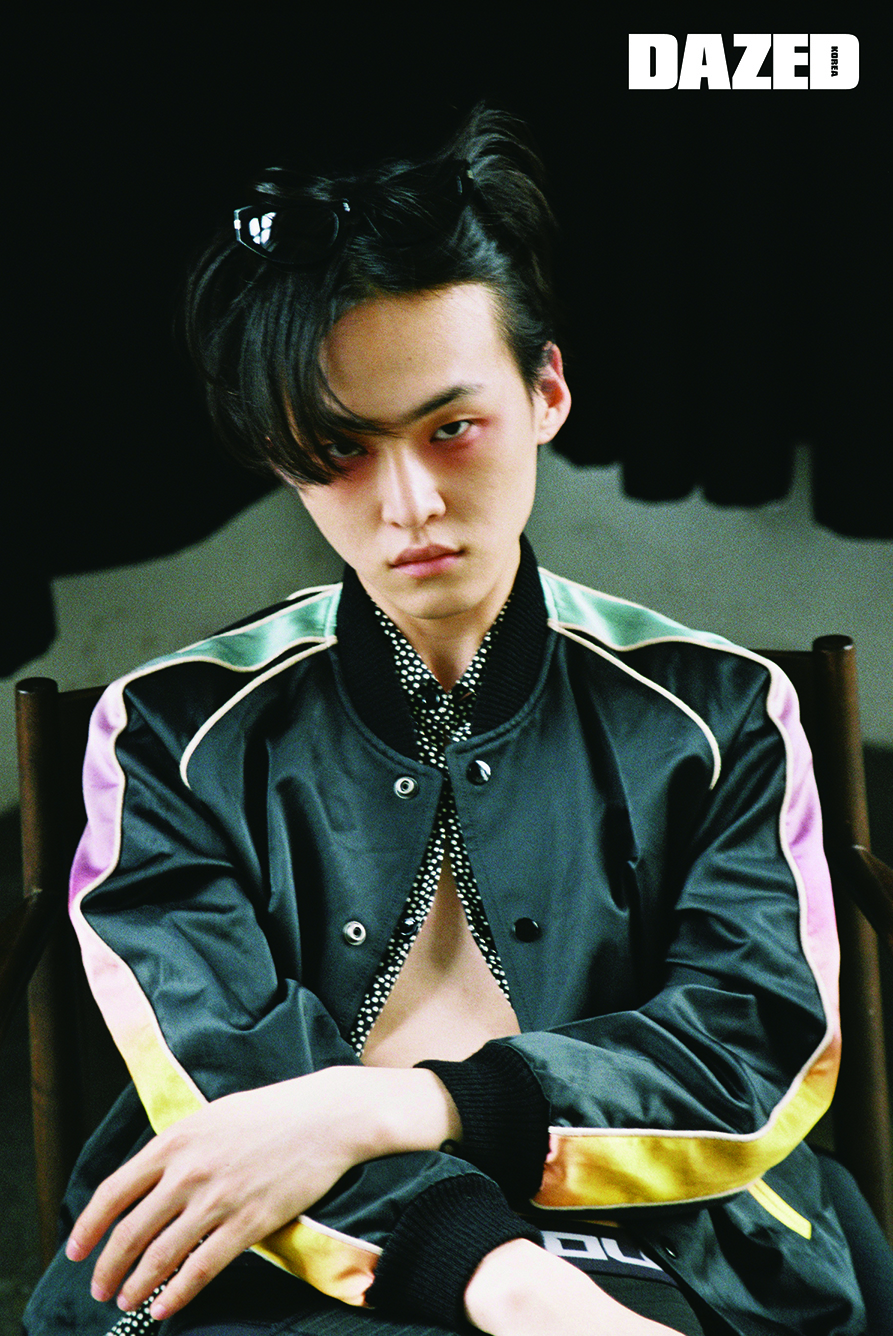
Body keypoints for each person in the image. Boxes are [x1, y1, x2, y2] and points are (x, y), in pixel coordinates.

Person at [24, 106, 870, 1335]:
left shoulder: (720, 711)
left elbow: (746, 1049)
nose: (409, 502)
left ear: (546, 391)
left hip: (656, 1221)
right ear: (279, 456)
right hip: (275, 1244)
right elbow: (230, 1099)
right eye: (339, 449)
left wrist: (397, 1103)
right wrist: (504, 1277)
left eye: (451, 427)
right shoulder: (169, 734)